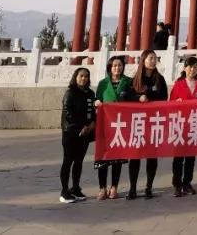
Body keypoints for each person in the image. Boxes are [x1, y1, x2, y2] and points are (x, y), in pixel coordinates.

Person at [127, 49, 168, 199]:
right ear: (143, 60)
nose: (153, 61)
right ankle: (132, 188)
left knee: (152, 156)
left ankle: (148, 187)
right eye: (150, 58)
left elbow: (164, 99)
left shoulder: (160, 79)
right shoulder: (135, 79)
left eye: (155, 58)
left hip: (153, 122)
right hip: (138, 122)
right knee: (135, 156)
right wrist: (138, 98)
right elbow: (127, 97)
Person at [94, 55, 131, 199]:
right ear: (110, 67)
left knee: (117, 158)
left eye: (120, 65)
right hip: (105, 124)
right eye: (114, 65)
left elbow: (133, 99)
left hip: (121, 125)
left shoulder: (128, 82)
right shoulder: (103, 83)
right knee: (103, 157)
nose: (117, 68)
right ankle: (102, 188)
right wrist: (97, 102)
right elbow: (97, 98)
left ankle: (114, 186)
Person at [59, 66, 96, 203]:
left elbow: (93, 111)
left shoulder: (90, 93)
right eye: (81, 76)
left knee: (79, 161)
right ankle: (64, 191)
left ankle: (75, 188)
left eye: (86, 76)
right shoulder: (70, 93)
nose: (84, 78)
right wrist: (81, 126)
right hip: (71, 132)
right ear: (76, 77)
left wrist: (92, 124)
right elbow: (68, 113)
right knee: (68, 161)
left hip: (85, 133)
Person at [169, 56, 197, 196]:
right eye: (190, 67)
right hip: (180, 124)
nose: (192, 70)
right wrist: (176, 103)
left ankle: (187, 183)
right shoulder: (178, 84)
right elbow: (170, 103)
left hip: (194, 123)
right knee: (178, 157)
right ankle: (177, 184)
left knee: (190, 157)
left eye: (195, 67)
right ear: (184, 68)